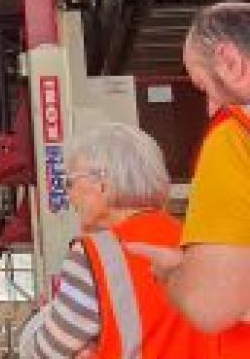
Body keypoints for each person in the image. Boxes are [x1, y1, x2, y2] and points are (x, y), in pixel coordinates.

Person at [20, 123, 217, 358]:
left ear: (102, 185)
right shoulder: (201, 242)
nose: (69, 196)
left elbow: (45, 352)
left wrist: (43, 320)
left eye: (70, 182)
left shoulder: (94, 256)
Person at [129, 2, 250, 349]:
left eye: (203, 87)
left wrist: (176, 276)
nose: (211, 107)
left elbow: (209, 305)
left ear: (230, 62)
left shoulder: (236, 134)